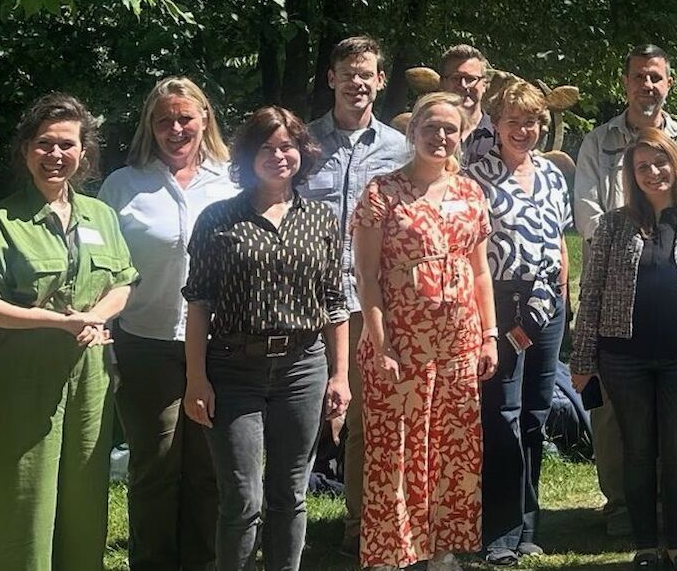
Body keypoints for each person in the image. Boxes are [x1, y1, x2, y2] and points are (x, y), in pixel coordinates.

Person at [181, 106, 353, 571]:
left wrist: (341, 375)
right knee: (241, 496)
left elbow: (335, 302)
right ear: (247, 156)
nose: (279, 156)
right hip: (234, 368)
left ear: (302, 152)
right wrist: (195, 379)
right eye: (267, 147)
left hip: (303, 368)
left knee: (290, 492)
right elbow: (198, 303)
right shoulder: (218, 219)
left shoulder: (321, 219)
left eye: (287, 146)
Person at [0, 93, 138, 571]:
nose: (56, 155)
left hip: (89, 378)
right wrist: (62, 322)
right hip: (19, 377)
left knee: (85, 500)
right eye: (44, 144)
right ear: (26, 150)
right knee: (22, 499)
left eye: (67, 145)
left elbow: (124, 281)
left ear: (83, 153)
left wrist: (98, 317)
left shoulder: (101, 215)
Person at [352, 92, 500, 570]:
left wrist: (490, 334)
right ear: (413, 131)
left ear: (462, 135)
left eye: (450, 129)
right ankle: (394, 552)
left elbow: (480, 272)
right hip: (401, 341)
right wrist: (381, 343)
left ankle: (442, 549)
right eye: (430, 128)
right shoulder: (381, 193)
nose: (440, 137)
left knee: (452, 447)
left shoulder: (470, 193)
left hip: (458, 341)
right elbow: (367, 277)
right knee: (398, 446)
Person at [98, 76, 237, 571]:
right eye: (165, 120)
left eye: (186, 118)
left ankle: (201, 562)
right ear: (150, 126)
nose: (176, 128)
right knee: (155, 466)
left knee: (207, 469)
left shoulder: (232, 181)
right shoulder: (123, 184)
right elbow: (105, 267)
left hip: (219, 346)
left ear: (205, 119)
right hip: (145, 342)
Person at [571, 43, 677, 535]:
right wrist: (624, 240)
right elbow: (587, 212)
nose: (647, 86)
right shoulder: (598, 141)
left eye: (656, 77)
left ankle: (668, 508)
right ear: (625, 81)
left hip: (675, 273)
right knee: (616, 419)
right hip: (614, 275)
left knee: (674, 421)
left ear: (668, 82)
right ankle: (621, 504)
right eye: (638, 77)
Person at [301, 35, 412, 555]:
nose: (357, 82)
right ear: (331, 79)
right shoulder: (303, 144)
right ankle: (282, 528)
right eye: (348, 73)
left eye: (366, 73)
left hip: (368, 303)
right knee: (297, 419)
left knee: (367, 422)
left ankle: (359, 529)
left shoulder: (400, 149)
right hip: (305, 302)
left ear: (381, 80)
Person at [467, 81, 571, 565]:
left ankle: (529, 525)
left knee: (534, 414)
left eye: (531, 121)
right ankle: (499, 532)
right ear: (496, 124)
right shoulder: (477, 177)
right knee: (501, 414)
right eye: (514, 121)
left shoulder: (552, 174)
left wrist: (564, 297)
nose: (524, 130)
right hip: (503, 304)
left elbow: (561, 243)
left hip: (548, 305)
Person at [443, 44, 498, 164]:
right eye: (456, 78)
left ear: (484, 84)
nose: (463, 85)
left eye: (470, 79)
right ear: (442, 83)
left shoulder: (501, 135)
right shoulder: (427, 133)